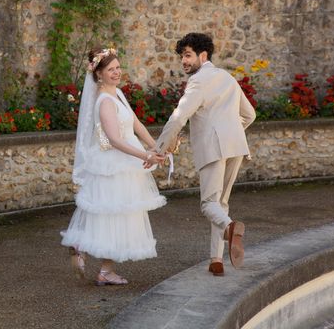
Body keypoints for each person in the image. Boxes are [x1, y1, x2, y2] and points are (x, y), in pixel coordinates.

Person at [61, 47, 166, 286]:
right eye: (111, 69)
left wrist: (156, 146)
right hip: (115, 164)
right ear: (98, 74)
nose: (117, 72)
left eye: (118, 67)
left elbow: (135, 124)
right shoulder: (105, 101)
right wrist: (145, 155)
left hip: (127, 161)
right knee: (114, 218)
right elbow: (115, 140)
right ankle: (84, 249)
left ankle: (104, 269)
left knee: (119, 219)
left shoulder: (117, 93)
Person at [154, 33, 256, 277]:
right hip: (236, 146)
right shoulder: (227, 77)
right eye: (181, 56)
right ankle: (216, 259)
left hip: (214, 148)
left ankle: (231, 229)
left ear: (203, 55)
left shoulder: (198, 81)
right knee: (220, 203)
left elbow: (179, 117)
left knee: (208, 204)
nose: (184, 61)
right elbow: (250, 114)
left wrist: (159, 149)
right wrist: (230, 131)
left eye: (188, 55)